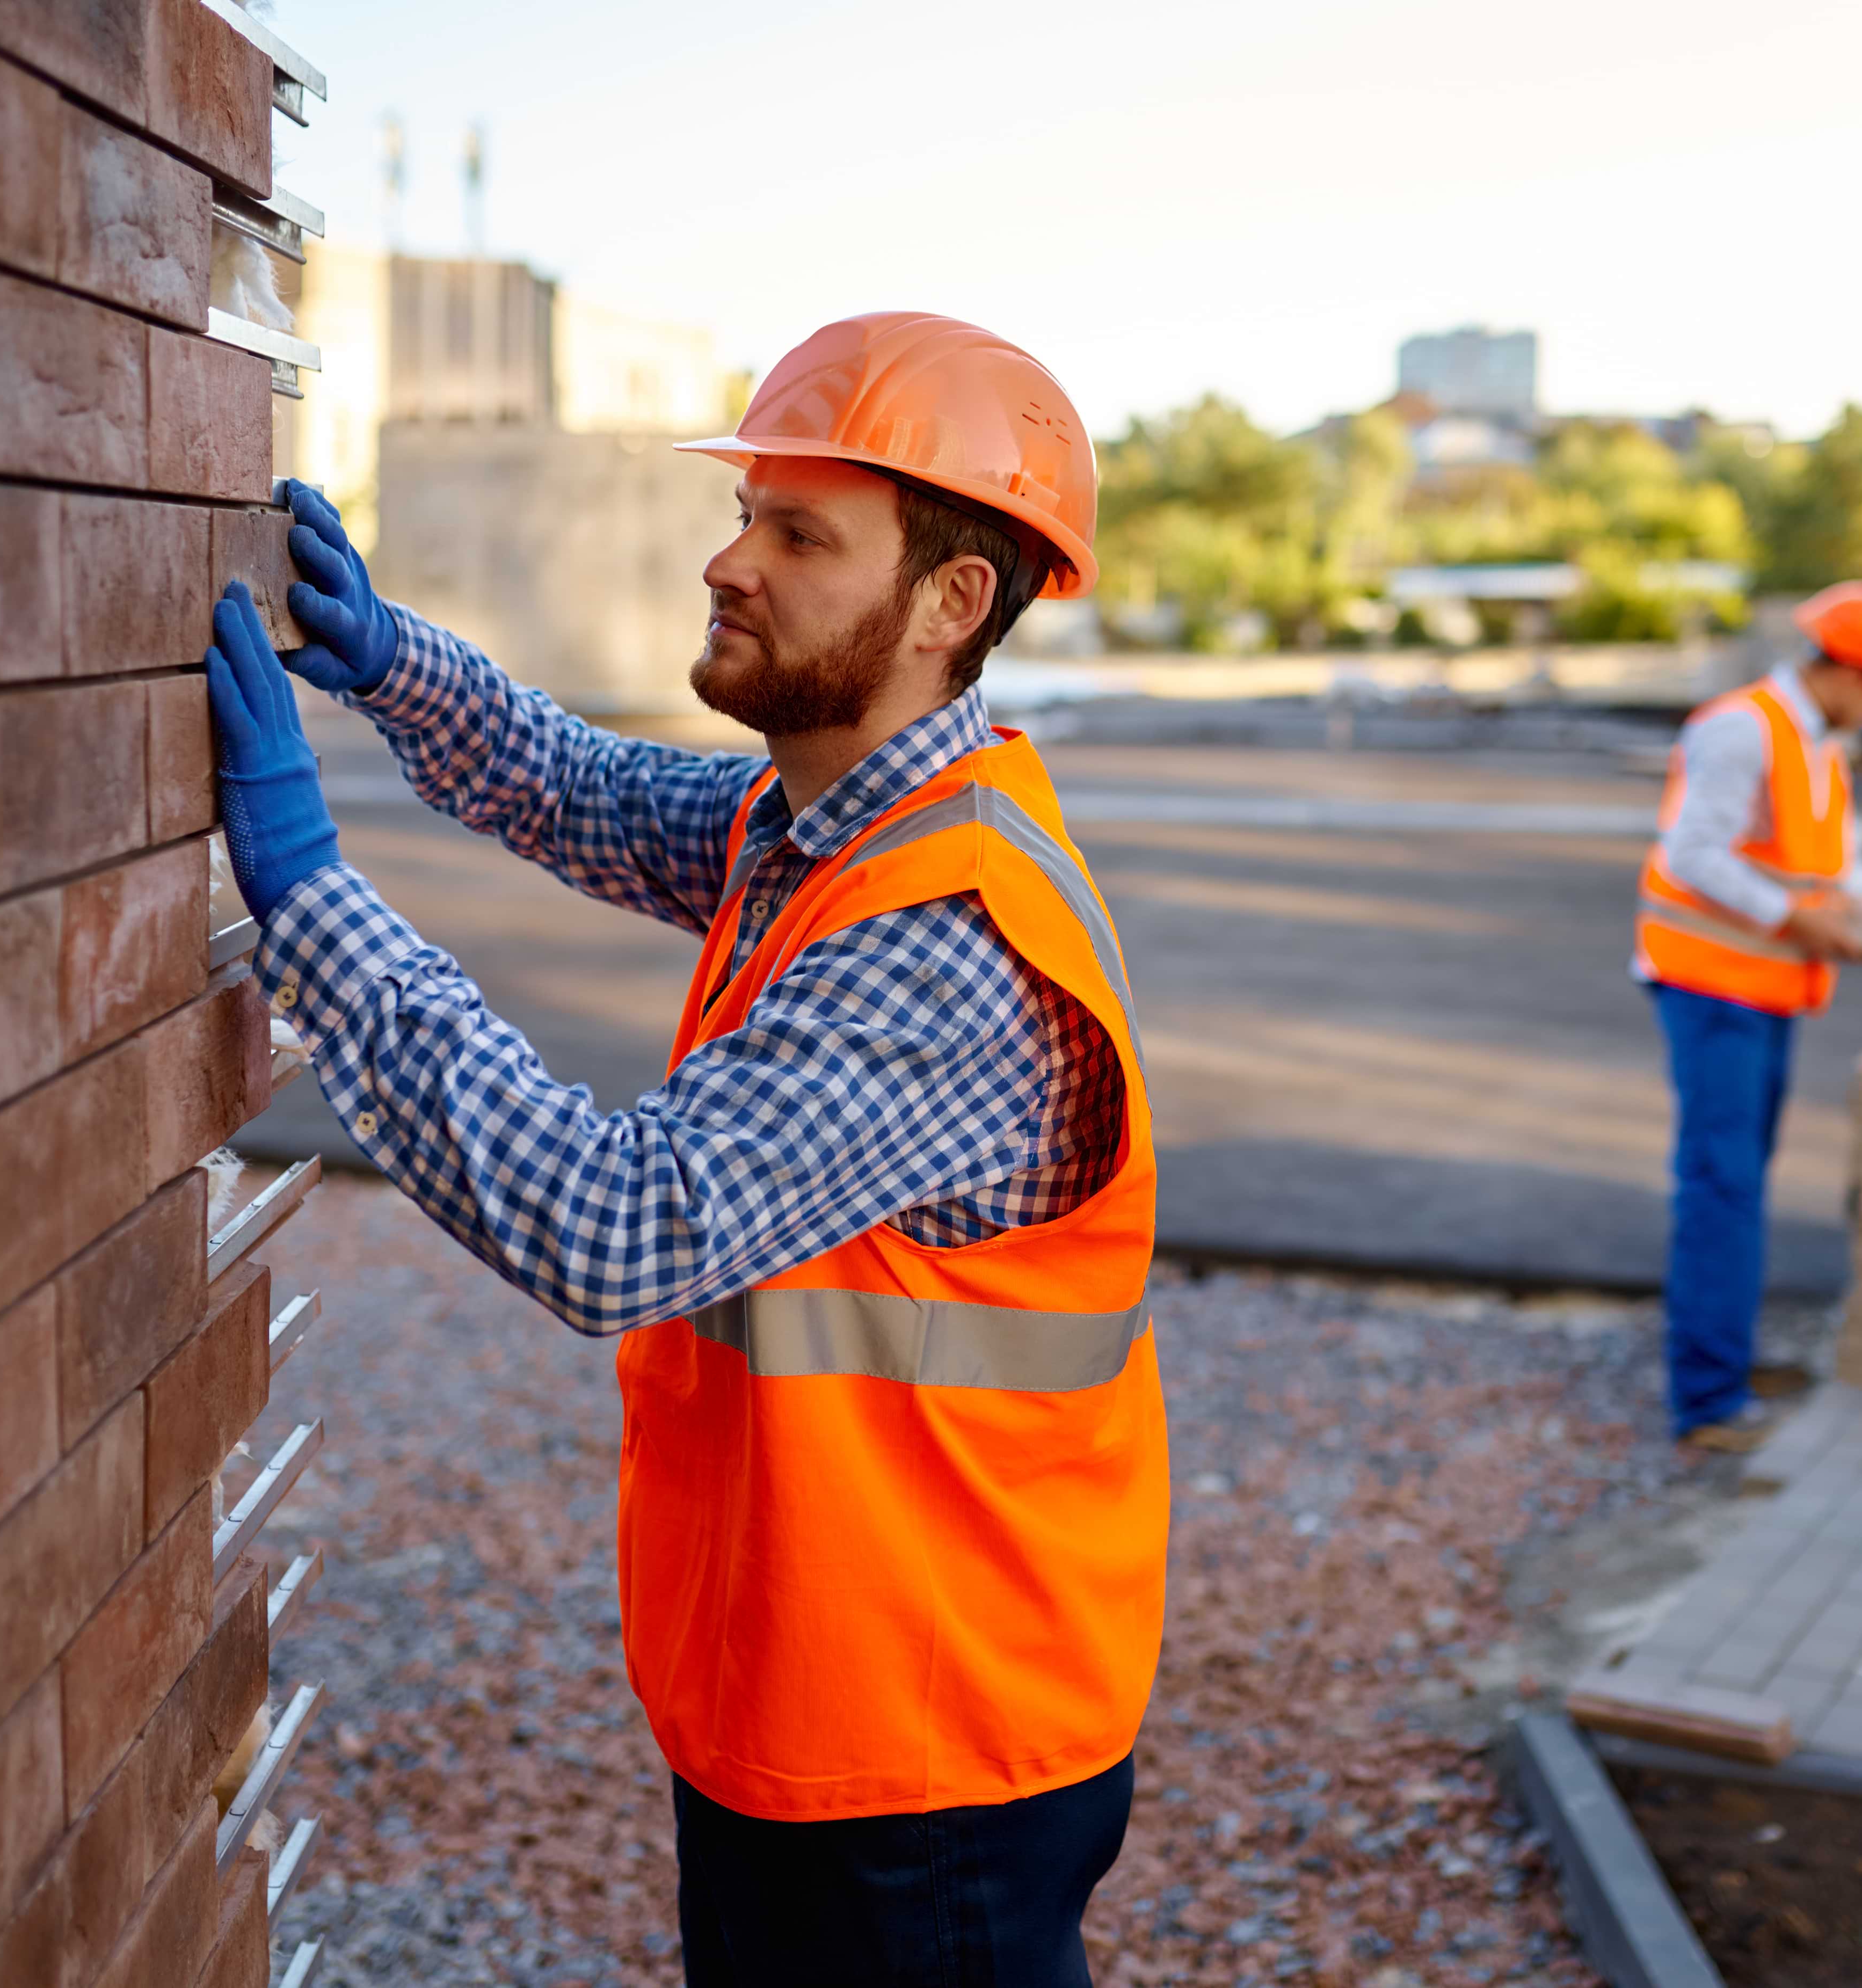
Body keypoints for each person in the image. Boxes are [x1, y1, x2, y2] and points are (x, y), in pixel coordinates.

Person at [201, 312, 1166, 1986]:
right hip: (818, 1697)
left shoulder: (945, 936)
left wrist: (308, 896)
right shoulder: (820, 829)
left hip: (922, 1757)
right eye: (748, 517)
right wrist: (388, 661)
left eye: (800, 535)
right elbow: (577, 786)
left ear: (948, 604)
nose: (730, 563)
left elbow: (610, 1221)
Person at [1633, 582, 1862, 1459]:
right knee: (1723, 1188)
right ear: (1848, 672)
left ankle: (1725, 1365)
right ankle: (1707, 1401)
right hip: (1710, 987)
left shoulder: (1816, 747)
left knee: (1739, 1182)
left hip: (1763, 989)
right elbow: (1693, 854)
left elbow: (1847, 872)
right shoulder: (1742, 729)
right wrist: (1795, 921)